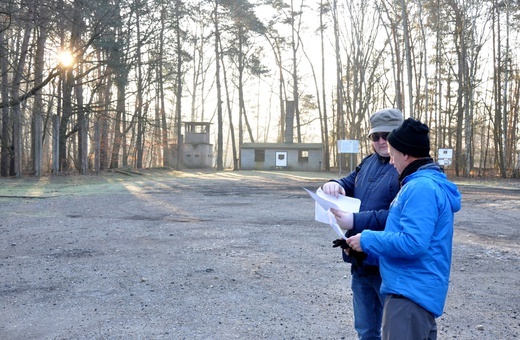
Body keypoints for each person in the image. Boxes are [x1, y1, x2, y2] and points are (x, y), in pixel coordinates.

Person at [347, 118, 462, 340]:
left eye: (392, 154)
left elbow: (413, 243)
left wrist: (367, 239)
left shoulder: (421, 188)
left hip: (409, 295)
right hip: (413, 292)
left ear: (406, 155)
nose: (391, 161)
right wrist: (363, 245)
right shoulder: (421, 183)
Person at [322, 108, 403, 340]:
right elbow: (349, 180)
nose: (380, 141)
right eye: (375, 137)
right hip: (360, 260)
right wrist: (335, 184)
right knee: (365, 331)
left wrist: (355, 220)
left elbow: (397, 217)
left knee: (396, 332)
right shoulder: (368, 162)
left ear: (398, 135)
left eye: (387, 136)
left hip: (387, 263)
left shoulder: (404, 169)